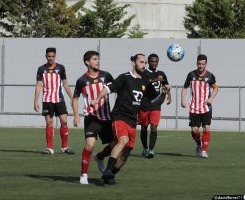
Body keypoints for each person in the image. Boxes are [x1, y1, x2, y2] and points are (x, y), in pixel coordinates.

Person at [91, 53, 168, 184]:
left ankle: (107, 171)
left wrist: (164, 93)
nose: (143, 65)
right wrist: (97, 99)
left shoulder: (145, 81)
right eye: (141, 62)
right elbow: (108, 88)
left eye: (145, 63)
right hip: (120, 116)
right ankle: (108, 169)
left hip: (133, 120)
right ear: (133, 62)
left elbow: (155, 100)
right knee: (123, 140)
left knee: (125, 153)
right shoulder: (124, 78)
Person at [72, 51, 115, 185]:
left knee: (114, 145)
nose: (98, 61)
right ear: (87, 62)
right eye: (95, 59)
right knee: (90, 144)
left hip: (107, 117)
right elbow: (75, 99)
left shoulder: (106, 76)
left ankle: (100, 157)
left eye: (98, 59)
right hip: (91, 117)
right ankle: (84, 174)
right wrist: (76, 115)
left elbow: (117, 88)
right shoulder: (82, 80)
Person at [34, 47, 75, 155]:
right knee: (49, 123)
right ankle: (49, 148)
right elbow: (38, 85)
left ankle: (64, 147)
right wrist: (35, 101)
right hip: (47, 100)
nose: (51, 58)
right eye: (49, 56)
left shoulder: (61, 68)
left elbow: (65, 83)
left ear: (55, 56)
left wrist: (72, 97)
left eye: (52, 56)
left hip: (59, 99)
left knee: (64, 122)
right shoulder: (41, 69)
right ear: (46, 56)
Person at [181, 54, 218, 158]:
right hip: (194, 107)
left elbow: (216, 88)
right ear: (196, 63)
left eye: (203, 64)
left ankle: (204, 151)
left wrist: (211, 99)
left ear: (206, 64)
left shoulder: (210, 76)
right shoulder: (191, 75)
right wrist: (182, 100)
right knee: (194, 130)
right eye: (199, 63)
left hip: (206, 107)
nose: (201, 65)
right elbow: (184, 88)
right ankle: (198, 144)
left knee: (206, 128)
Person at [138, 53, 172, 158]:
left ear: (158, 62)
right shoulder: (144, 73)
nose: (154, 63)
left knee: (154, 127)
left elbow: (166, 85)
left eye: (156, 61)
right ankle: (145, 148)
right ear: (148, 62)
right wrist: (155, 80)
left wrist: (169, 95)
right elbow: (143, 84)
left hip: (156, 105)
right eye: (152, 61)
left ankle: (151, 150)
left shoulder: (162, 73)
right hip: (144, 104)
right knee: (144, 128)